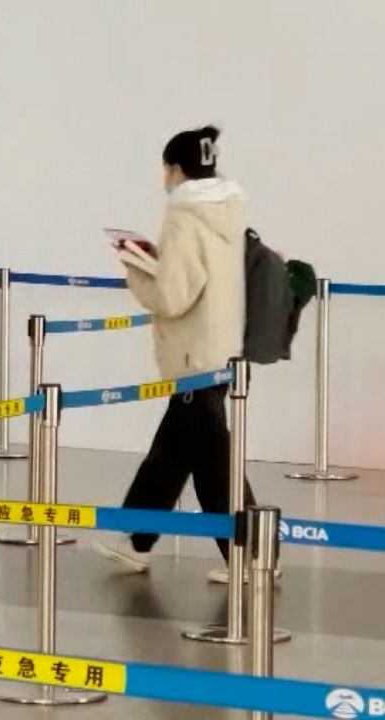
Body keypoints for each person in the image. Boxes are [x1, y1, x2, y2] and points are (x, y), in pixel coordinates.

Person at [94, 126, 261, 582]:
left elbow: (173, 296)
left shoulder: (184, 215)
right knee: (174, 453)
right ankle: (136, 540)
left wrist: (135, 267)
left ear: (174, 169)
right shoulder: (227, 210)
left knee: (209, 461)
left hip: (192, 355)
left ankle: (251, 554)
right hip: (221, 347)